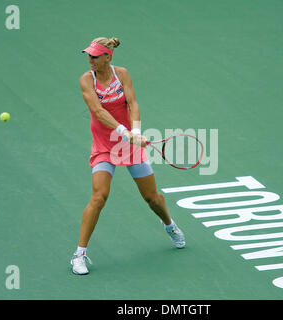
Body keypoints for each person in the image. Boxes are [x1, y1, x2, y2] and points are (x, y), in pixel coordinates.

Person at [71, 37, 185, 275]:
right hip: (104, 144)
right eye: (88, 56)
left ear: (107, 57)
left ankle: (169, 225)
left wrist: (136, 132)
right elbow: (98, 111)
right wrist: (124, 132)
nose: (89, 60)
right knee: (99, 196)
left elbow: (132, 103)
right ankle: (79, 254)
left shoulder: (122, 74)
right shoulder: (86, 80)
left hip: (129, 145)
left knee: (152, 198)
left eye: (94, 56)